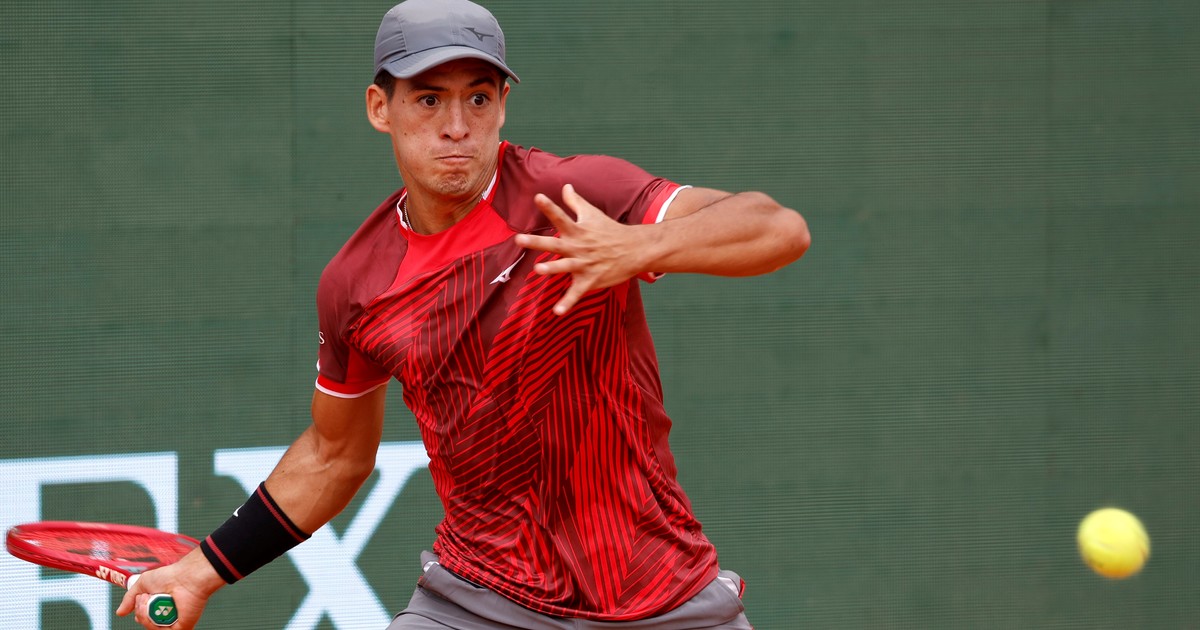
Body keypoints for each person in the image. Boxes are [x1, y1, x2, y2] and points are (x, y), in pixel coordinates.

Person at [117, 0, 810, 628]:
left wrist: (637, 246)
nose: (456, 127)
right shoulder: (357, 284)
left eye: (478, 98)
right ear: (379, 108)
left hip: (659, 595)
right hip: (480, 600)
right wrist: (199, 574)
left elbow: (778, 228)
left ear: (502, 105)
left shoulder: (573, 195)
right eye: (428, 99)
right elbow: (334, 456)